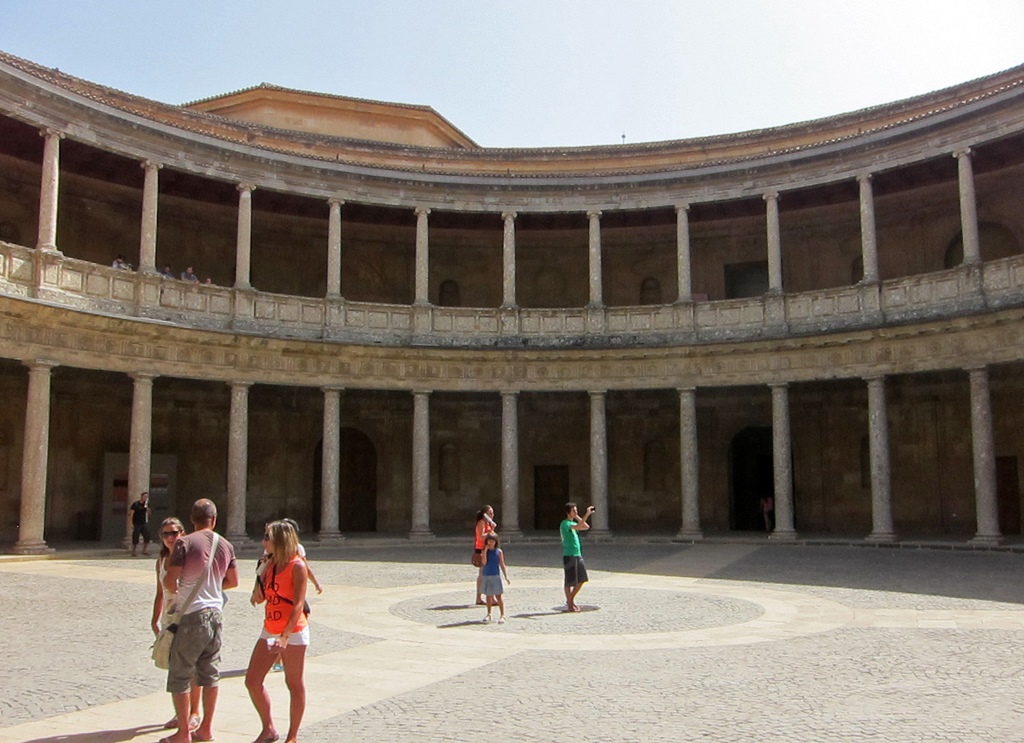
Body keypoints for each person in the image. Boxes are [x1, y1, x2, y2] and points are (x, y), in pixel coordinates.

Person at [160, 499, 238, 743]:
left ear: (192, 520)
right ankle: (206, 729)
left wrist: (181, 592)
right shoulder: (225, 545)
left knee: (180, 674)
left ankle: (183, 733)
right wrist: (212, 587)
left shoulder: (185, 543)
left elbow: (170, 581)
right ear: (214, 520)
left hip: (192, 614)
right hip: (216, 614)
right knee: (210, 674)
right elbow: (233, 581)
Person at [246, 520, 309, 743]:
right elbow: (261, 596)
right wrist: (260, 576)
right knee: (252, 680)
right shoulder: (270, 564)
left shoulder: (297, 566)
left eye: (267, 537)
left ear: (279, 540)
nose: (263, 542)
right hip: (270, 628)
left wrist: (285, 636)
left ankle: (292, 736)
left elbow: (298, 604)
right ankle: (268, 727)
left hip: (294, 631)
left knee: (294, 683)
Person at [151, 517, 201, 734]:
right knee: (174, 666)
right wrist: (155, 618)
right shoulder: (161, 561)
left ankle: (194, 713)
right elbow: (160, 591)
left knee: (191, 666)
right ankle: (180, 711)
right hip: (169, 618)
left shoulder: (189, 559)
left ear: (182, 533)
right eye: (166, 534)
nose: (170, 538)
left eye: (174, 533)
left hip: (189, 615)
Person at [560, 502, 594, 613]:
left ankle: (570, 600)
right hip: (569, 555)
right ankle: (570, 604)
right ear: (567, 512)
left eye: (576, 510)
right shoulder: (565, 524)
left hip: (577, 554)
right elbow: (579, 526)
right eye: (574, 511)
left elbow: (586, 526)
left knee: (582, 579)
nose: (576, 512)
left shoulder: (572, 522)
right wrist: (587, 514)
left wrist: (578, 517)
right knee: (569, 581)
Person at [480, 532, 509, 624]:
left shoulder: (499, 551)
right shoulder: (485, 551)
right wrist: (485, 551)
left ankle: (502, 615)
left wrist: (506, 576)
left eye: (492, 541)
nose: (490, 543)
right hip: (486, 574)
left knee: (498, 596)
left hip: (495, 575)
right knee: (488, 596)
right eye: (489, 541)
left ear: (495, 542)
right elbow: (484, 562)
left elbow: (502, 563)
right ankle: (489, 613)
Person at [473, 505, 496, 605]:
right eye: (490, 513)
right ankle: (479, 597)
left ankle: (491, 597)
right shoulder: (481, 523)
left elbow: (491, 537)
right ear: (485, 514)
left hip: (488, 549)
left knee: (489, 573)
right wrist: (491, 531)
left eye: (493, 513)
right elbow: (481, 536)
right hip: (481, 549)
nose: (492, 515)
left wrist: (492, 529)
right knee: (483, 574)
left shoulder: (488, 523)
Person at [127, 491, 151, 557]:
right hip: (136, 523)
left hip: (144, 522)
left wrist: (147, 508)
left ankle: (144, 550)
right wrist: (131, 523)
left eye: (147, 497)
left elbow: (149, 513)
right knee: (135, 536)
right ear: (142, 496)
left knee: (147, 535)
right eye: (145, 496)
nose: (146, 498)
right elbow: (131, 513)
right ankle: (134, 551)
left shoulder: (147, 504)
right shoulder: (136, 504)